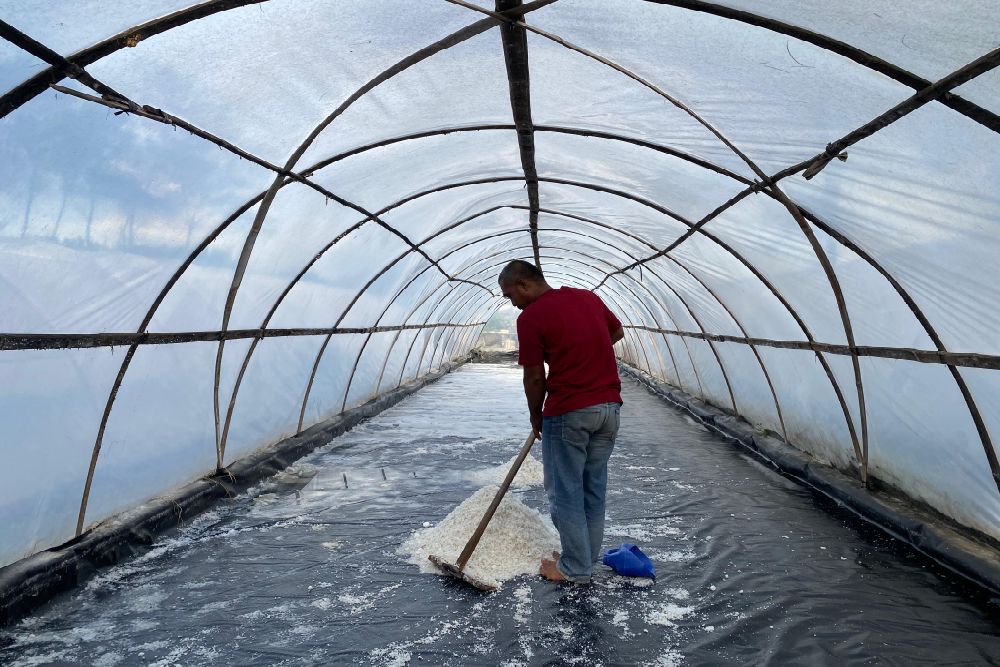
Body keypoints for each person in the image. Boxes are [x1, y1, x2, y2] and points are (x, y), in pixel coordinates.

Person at [498, 259, 625, 584]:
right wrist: (582, 355)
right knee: (592, 488)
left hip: (569, 412)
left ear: (524, 285)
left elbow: (534, 376)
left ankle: (574, 569)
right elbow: (617, 331)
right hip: (609, 410)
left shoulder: (531, 317)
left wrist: (536, 415)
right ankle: (582, 558)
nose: (512, 303)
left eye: (510, 295)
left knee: (566, 491)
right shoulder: (587, 298)